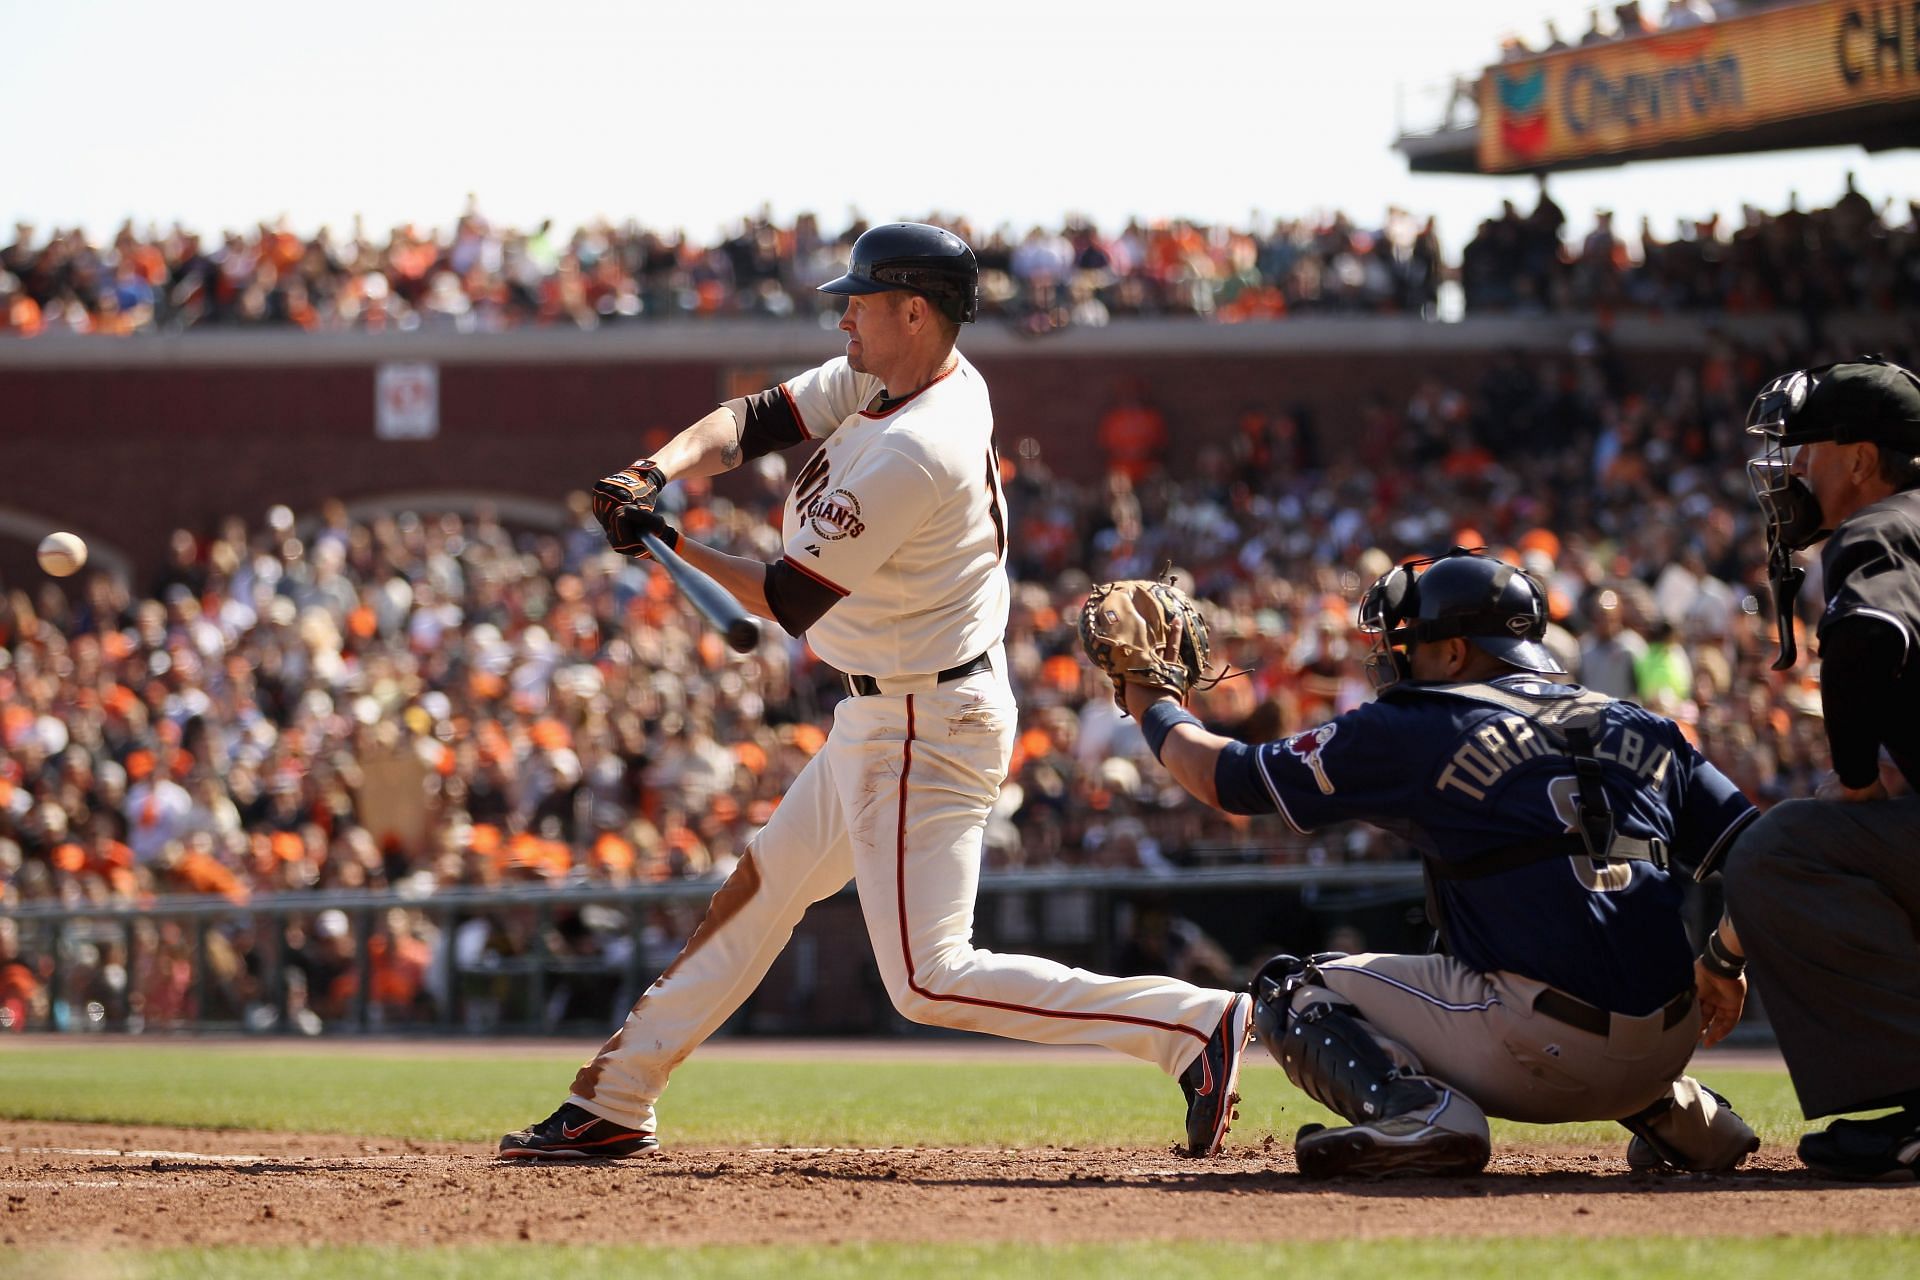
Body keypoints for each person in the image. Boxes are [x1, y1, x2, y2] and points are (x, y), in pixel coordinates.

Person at [499, 222, 1252, 1161]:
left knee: (928, 979)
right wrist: (657, 475)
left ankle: (1190, 1025)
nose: (843, 315)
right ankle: (617, 1096)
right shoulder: (894, 375)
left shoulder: (921, 445)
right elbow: (753, 419)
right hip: (888, 706)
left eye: (861, 300)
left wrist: (671, 543)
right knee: (763, 891)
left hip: (923, 719)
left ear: (916, 312)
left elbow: (787, 599)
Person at [1120, 548, 1762, 1176]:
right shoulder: (1642, 723)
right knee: (1469, 931)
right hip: (1672, 1041)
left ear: (1455, 651)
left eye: (1412, 640)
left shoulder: (1423, 721)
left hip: (1540, 1051)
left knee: (1291, 989)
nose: (1395, 656)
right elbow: (1764, 857)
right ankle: (1684, 1116)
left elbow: (1227, 778)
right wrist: (1725, 959)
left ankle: (1420, 1113)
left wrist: (1152, 703)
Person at [1721, 357, 1920, 1181]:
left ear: (1859, 459)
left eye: (1805, 447)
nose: (1792, 467)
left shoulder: (1880, 527)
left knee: (1782, 848)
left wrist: (1858, 772)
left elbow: (1868, 634)